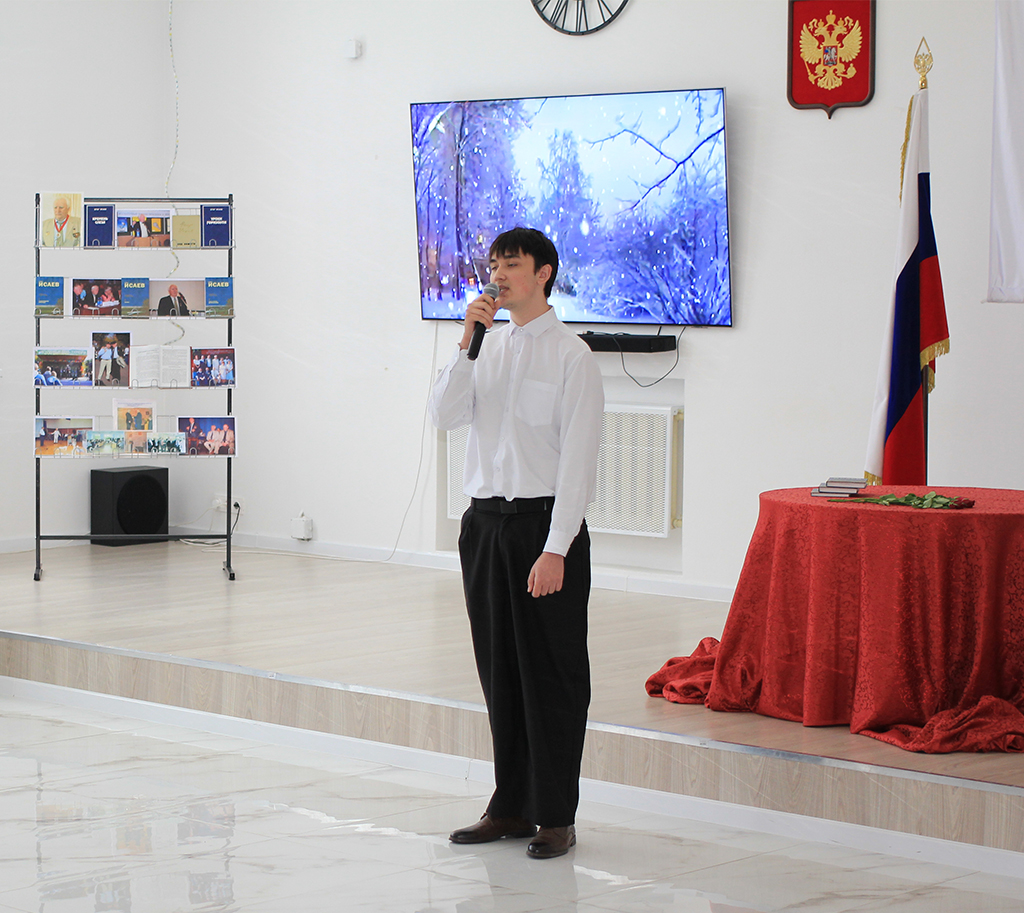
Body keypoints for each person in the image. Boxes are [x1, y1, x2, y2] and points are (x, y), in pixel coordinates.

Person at [429, 227, 604, 860]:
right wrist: (466, 344)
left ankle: (555, 815)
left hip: (542, 528)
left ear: (544, 273)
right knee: (499, 670)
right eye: (494, 264)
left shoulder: (572, 357)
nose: (498, 275)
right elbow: (444, 416)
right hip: (484, 527)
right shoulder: (486, 346)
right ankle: (509, 806)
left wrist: (556, 548)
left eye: (512, 264)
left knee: (552, 675)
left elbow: (578, 463)